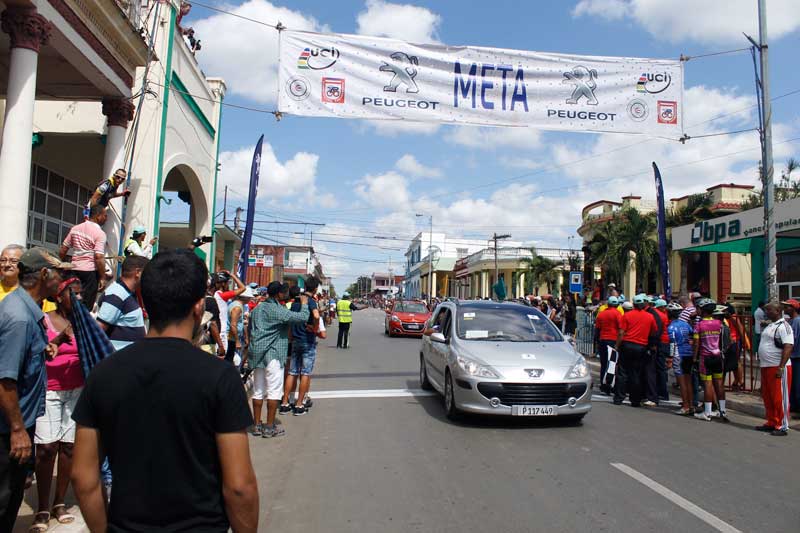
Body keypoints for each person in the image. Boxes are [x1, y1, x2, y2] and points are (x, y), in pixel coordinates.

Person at [70, 249, 259, 531]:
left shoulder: (104, 373)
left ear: (144, 301)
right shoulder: (220, 377)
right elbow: (240, 487)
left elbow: (83, 478)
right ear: (198, 308)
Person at [0, 248, 69, 531]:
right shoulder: (19, 317)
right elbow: (5, 380)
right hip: (7, 430)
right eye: (58, 275)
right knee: (4, 499)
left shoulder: (29, 309)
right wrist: (17, 430)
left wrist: (43, 350)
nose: (61, 282)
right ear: (43, 274)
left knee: (13, 495)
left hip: (17, 425)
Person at [30, 278, 85, 531]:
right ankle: (42, 506)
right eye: (73, 294)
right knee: (46, 449)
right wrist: (63, 337)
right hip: (49, 391)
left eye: (81, 294)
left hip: (76, 390)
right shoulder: (45, 320)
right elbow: (38, 351)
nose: (79, 298)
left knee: (69, 448)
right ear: (59, 296)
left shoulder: (86, 322)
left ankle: (59, 502)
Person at [248, 282, 309, 438]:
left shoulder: (258, 309)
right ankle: (269, 427)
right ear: (279, 294)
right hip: (274, 354)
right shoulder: (276, 309)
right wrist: (304, 304)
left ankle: (256, 425)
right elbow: (302, 318)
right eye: (285, 292)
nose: (287, 294)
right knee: (274, 391)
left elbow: (250, 329)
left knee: (258, 390)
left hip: (257, 354)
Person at [281, 276, 321, 416]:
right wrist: (315, 328)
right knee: (305, 372)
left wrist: (291, 336)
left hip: (296, 341)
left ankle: (285, 403)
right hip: (307, 341)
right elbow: (316, 316)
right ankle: (299, 405)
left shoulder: (296, 302)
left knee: (292, 372)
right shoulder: (311, 301)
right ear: (315, 289)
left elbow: (292, 321)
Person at [754, 302, 794, 436]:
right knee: (768, 397)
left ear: (778, 311)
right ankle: (771, 422)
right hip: (766, 366)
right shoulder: (771, 325)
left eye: (769, 310)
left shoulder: (784, 326)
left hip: (777, 366)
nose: (766, 312)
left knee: (779, 398)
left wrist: (781, 367)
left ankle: (782, 425)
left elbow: (788, 346)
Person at [59, 205, 108, 309]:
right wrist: (103, 277)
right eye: (105, 215)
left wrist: (61, 265)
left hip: (74, 270)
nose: (106, 218)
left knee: (72, 302)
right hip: (89, 273)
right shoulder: (100, 233)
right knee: (86, 305)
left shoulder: (75, 229)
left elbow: (63, 249)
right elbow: (98, 256)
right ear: (98, 216)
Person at [96, 256, 148, 351]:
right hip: (117, 360)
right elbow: (97, 331)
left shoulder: (127, 293)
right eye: (148, 273)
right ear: (138, 272)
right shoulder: (116, 294)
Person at [614, 294, 657, 407]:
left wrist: (617, 345)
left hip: (627, 345)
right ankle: (635, 400)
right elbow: (653, 332)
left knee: (622, 372)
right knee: (636, 373)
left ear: (633, 305)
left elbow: (621, 332)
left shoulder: (627, 315)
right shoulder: (649, 317)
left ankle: (619, 398)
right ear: (643, 305)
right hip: (641, 347)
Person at [692, 298, 728, 422]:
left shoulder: (699, 325)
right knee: (719, 383)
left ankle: (707, 412)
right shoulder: (719, 323)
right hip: (717, 356)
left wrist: (694, 358)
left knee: (708, 384)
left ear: (703, 310)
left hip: (705, 357)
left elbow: (696, 343)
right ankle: (722, 411)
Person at [667, 302, 694, 416]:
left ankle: (686, 406)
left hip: (679, 354)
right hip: (689, 353)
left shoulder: (671, 327)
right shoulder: (686, 324)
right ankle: (690, 405)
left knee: (682, 382)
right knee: (688, 381)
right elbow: (692, 337)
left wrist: (670, 358)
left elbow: (672, 344)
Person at [212, 270, 246, 353]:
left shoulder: (215, 294)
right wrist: (232, 275)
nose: (228, 286)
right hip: (222, 331)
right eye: (228, 283)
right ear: (223, 284)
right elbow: (243, 288)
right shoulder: (222, 295)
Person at [594, 296, 622, 394]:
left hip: (603, 340)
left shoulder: (601, 314)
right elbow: (621, 329)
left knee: (604, 363)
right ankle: (611, 385)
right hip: (613, 341)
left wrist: (597, 342)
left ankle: (603, 384)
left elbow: (597, 329)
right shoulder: (618, 314)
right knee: (613, 364)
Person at [228, 288, 254, 366]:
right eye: (249, 297)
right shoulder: (237, 307)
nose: (250, 299)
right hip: (231, 338)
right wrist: (237, 341)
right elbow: (233, 325)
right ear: (245, 297)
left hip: (233, 337)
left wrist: (245, 337)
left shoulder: (238, 306)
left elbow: (241, 323)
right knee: (229, 360)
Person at [782, 299, 800, 412]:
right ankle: (793, 405)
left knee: (797, 383)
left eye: (787, 307)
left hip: (796, 356)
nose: (785, 309)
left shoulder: (797, 321)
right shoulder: (791, 321)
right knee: (792, 383)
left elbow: (794, 340)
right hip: (792, 356)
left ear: (793, 308)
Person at [653, 299, 670, 402]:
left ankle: (662, 392)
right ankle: (662, 391)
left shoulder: (659, 315)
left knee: (660, 368)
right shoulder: (663, 315)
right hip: (664, 342)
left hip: (661, 342)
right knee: (661, 368)